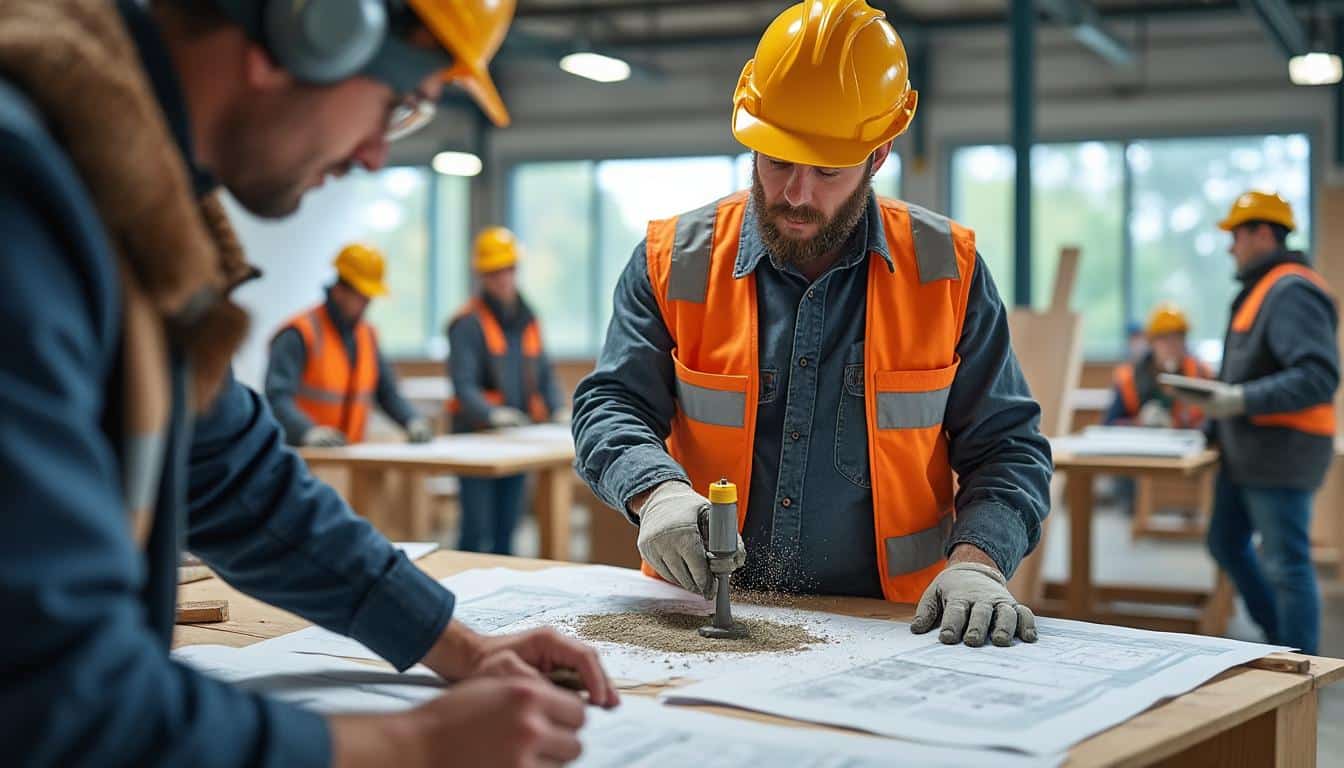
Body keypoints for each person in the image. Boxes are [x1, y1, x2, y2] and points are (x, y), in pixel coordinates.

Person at [0, 1, 619, 766]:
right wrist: (416, 743)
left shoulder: (122, 202)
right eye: (397, 106)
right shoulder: (22, 198)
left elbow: (235, 478)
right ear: (303, 31)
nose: (370, 156)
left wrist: (459, 644)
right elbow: (57, 700)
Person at [571, 0, 1052, 649]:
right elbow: (611, 403)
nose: (796, 194)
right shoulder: (673, 262)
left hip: (892, 624)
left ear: (878, 155)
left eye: (827, 170)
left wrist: (977, 565)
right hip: (700, 619)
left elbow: (1007, 448)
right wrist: (655, 493)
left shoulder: (946, 270)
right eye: (776, 161)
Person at [1170, 191, 1338, 654]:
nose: (1231, 247)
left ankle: (1299, 671)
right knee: (1226, 542)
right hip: (1248, 451)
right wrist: (1211, 424)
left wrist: (1240, 400)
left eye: (1237, 236)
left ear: (1264, 233)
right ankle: (1280, 643)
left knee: (1287, 564)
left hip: (1283, 451)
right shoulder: (1260, 290)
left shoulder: (1292, 290)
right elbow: (1244, 370)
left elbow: (1318, 377)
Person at [447, 227, 564, 554]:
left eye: (508, 270)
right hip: (475, 441)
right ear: (482, 276)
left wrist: (557, 408)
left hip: (518, 440)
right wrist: (491, 413)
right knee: (476, 531)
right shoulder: (466, 324)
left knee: (508, 530)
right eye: (494, 273)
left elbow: (543, 372)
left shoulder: (528, 319)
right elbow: (463, 385)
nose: (503, 279)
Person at [266, 243, 433, 447]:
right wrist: (307, 432)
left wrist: (412, 420)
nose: (367, 303)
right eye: (362, 296)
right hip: (300, 456)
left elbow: (386, 392)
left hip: (347, 458)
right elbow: (277, 398)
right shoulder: (299, 333)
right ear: (339, 291)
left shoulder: (366, 335)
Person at [1105, 304, 1213, 429]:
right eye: (1164, 338)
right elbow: (1109, 424)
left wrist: (1181, 424)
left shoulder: (1201, 375)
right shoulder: (1129, 378)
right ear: (1152, 342)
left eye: (1178, 337)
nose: (1172, 345)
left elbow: (1214, 424)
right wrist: (1138, 423)